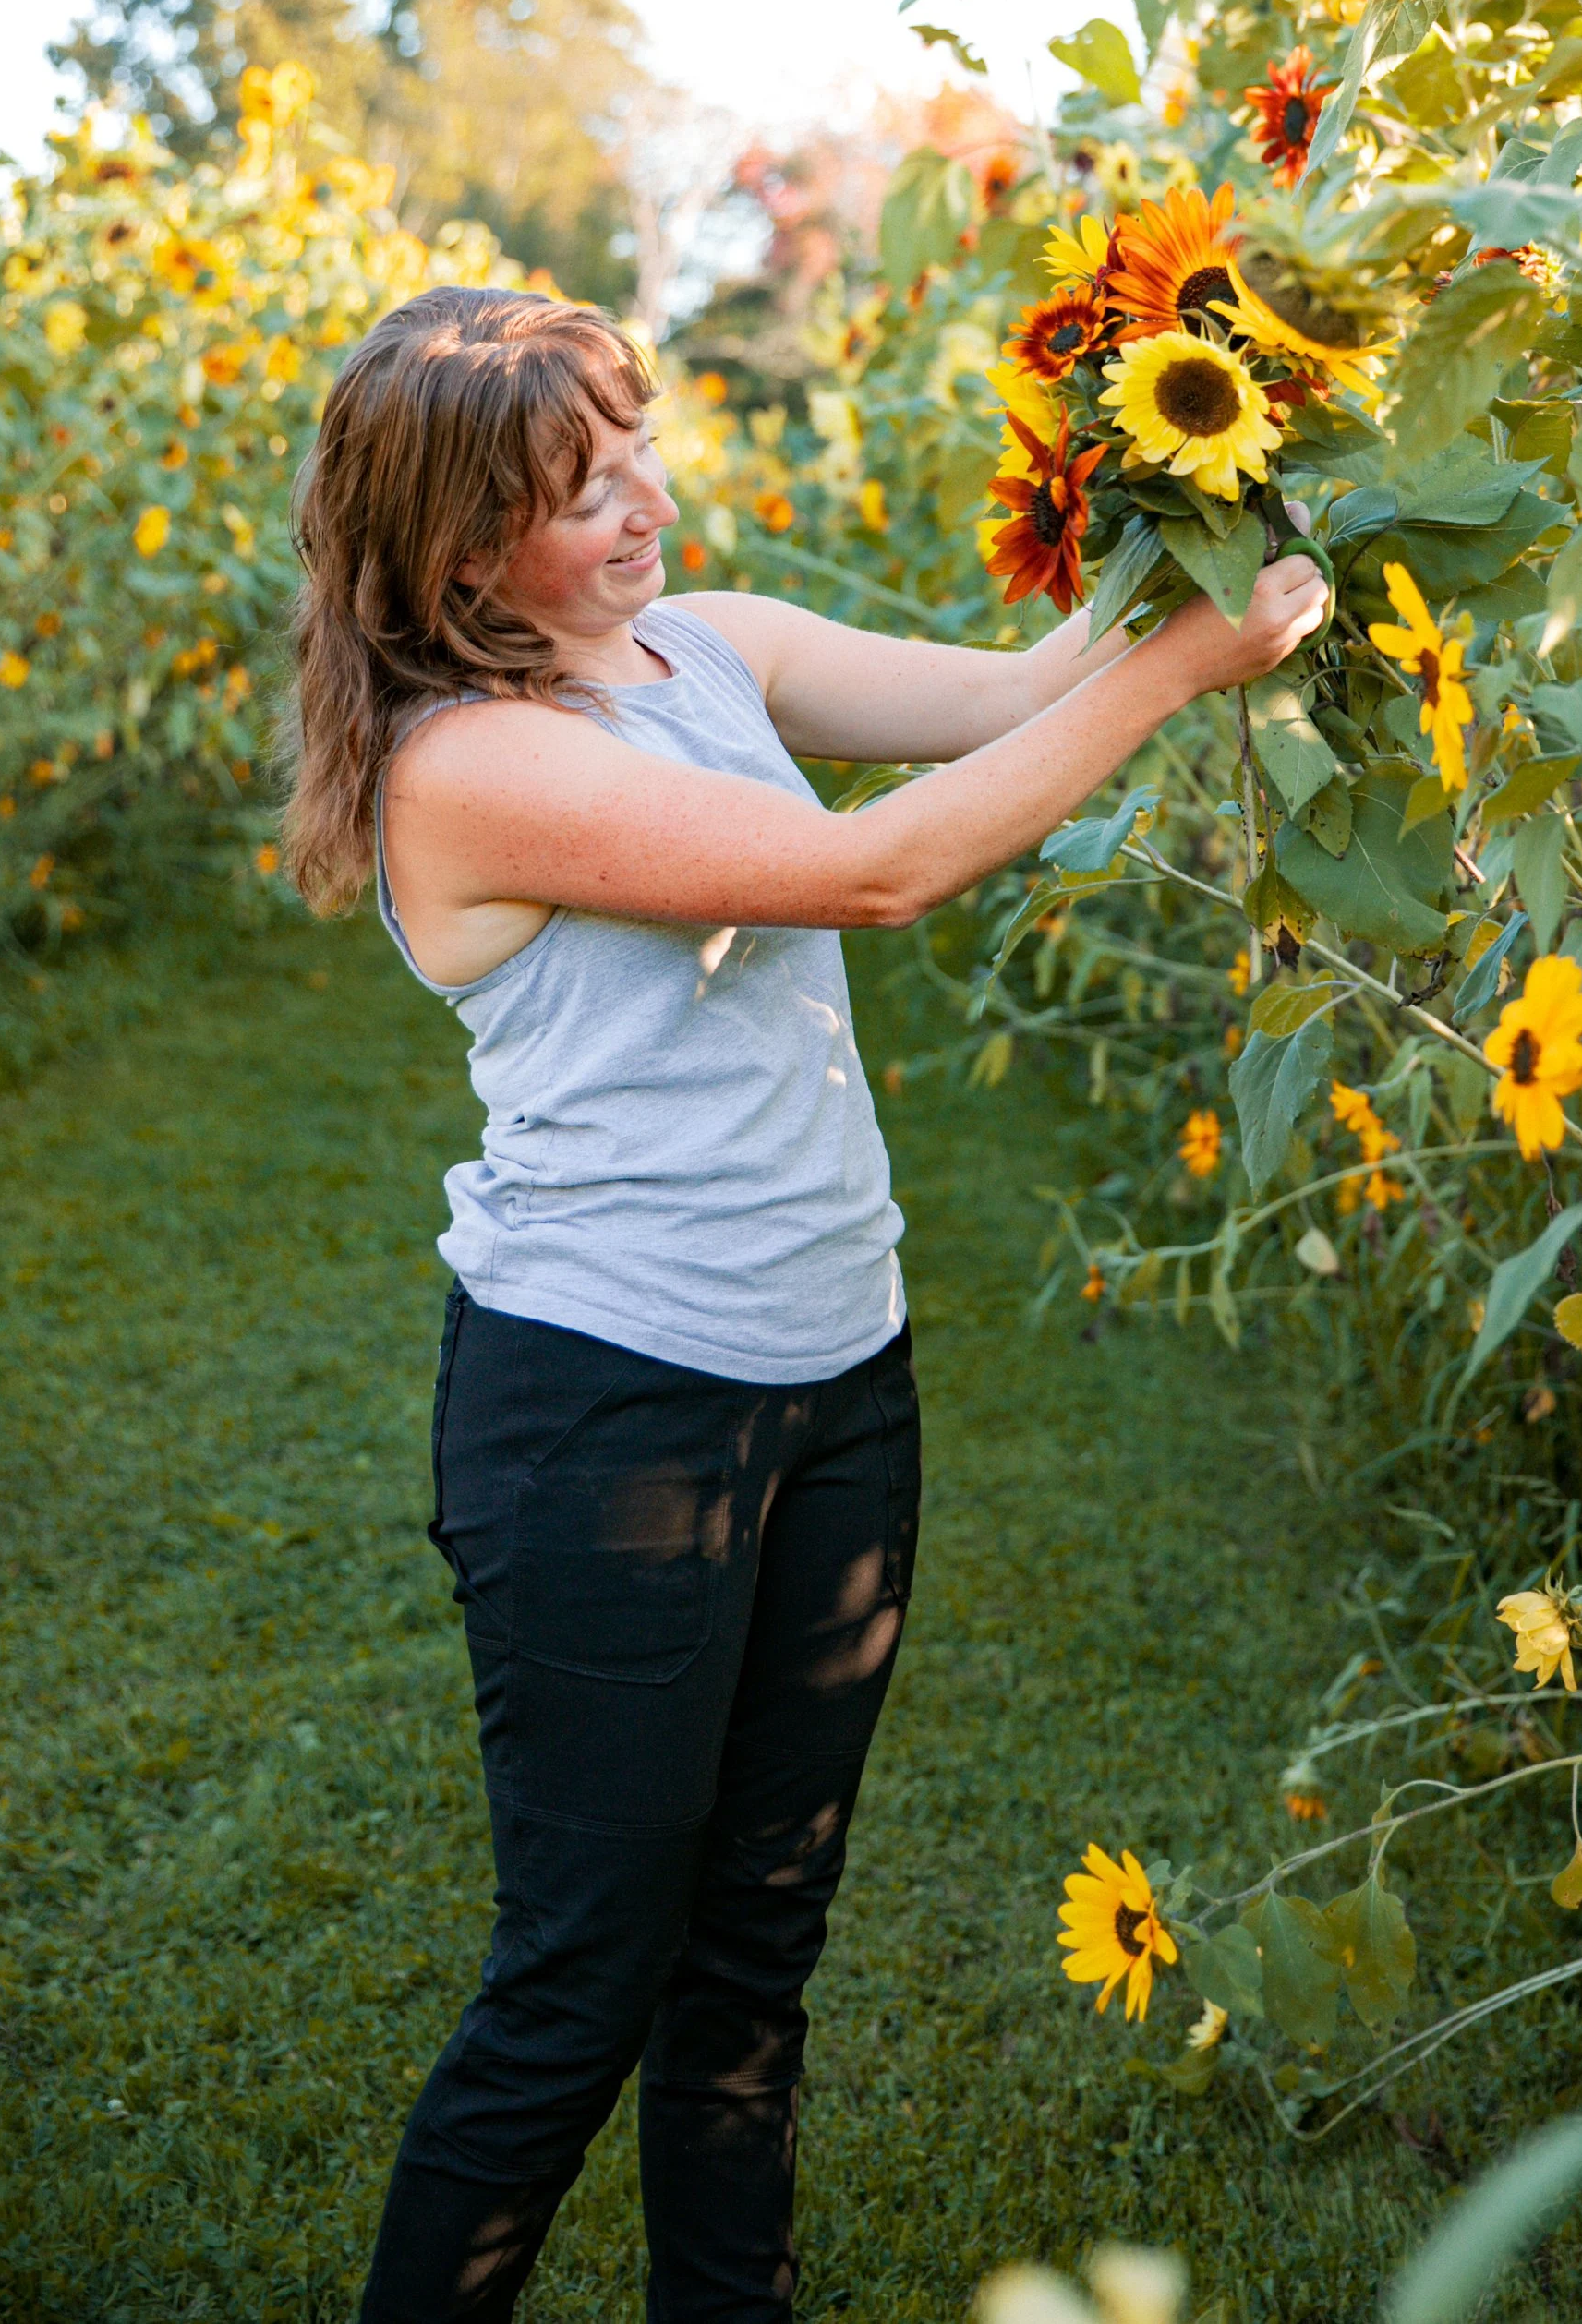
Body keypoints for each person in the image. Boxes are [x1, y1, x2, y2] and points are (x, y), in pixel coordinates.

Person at [280, 283, 1326, 2322]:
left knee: (754, 1947)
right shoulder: (475, 765)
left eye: (635, 446)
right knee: (584, 1978)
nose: (642, 503)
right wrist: (1192, 668)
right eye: (578, 493)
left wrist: (1187, 490)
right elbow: (873, 870)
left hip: (835, 1374)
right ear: (456, 552)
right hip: (609, 1417)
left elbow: (1013, 685)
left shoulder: (709, 643)